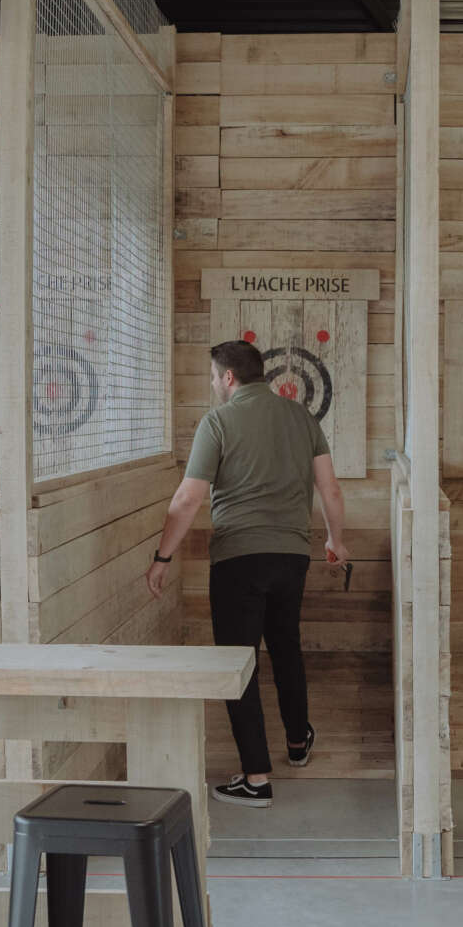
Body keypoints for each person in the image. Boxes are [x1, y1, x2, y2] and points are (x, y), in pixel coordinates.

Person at [148, 339, 350, 809]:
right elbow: (331, 490)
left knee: (238, 662)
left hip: (238, 558)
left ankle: (256, 777)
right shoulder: (301, 417)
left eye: (213, 377)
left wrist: (162, 557)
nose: (212, 384)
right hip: (291, 556)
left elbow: (187, 499)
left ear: (229, 377)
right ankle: (297, 743)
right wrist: (335, 541)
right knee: (286, 648)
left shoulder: (218, 421)